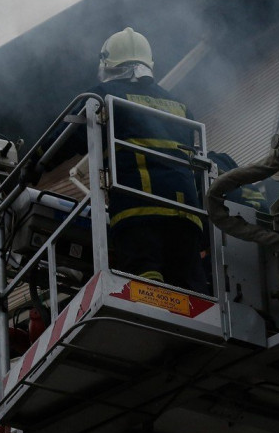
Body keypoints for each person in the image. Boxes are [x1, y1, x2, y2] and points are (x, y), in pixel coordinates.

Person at [31, 27, 206, 291]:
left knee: (146, 285)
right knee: (190, 291)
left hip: (139, 211)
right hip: (187, 216)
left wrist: (33, 164)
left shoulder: (102, 96)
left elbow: (64, 139)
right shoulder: (180, 106)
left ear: (108, 64)